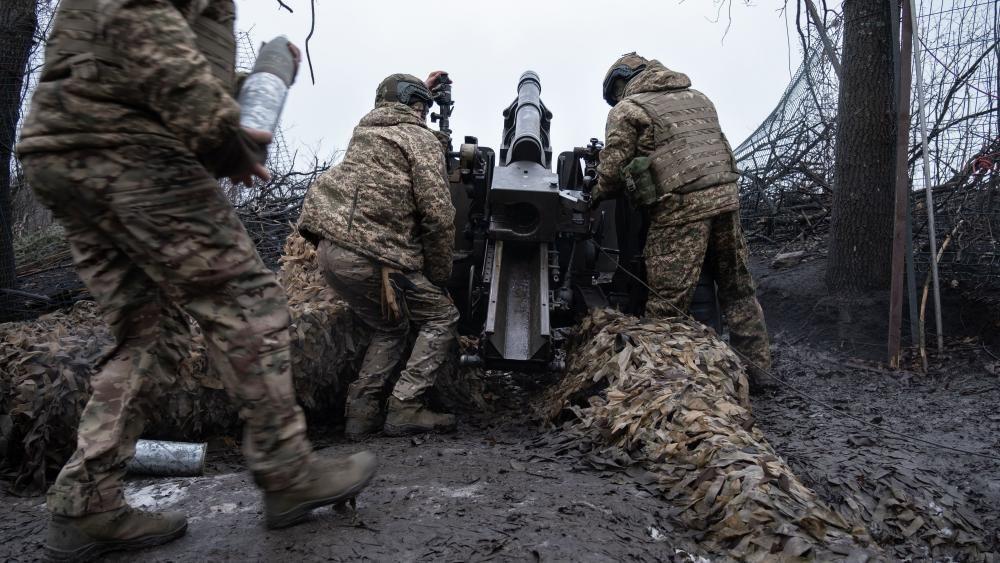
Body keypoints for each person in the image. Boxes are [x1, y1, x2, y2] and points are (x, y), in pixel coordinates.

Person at [16, 1, 376, 559]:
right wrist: (219, 135)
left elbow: (154, 51)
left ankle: (85, 504)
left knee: (150, 335)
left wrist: (246, 87)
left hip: (68, 144)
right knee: (247, 299)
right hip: (126, 145)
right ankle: (287, 472)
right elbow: (140, 16)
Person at [591, 52, 772, 385]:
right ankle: (759, 371)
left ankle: (662, 384)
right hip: (727, 199)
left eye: (614, 93)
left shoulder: (628, 109)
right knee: (738, 290)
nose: (616, 99)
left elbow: (613, 172)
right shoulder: (698, 98)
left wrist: (594, 195)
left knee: (666, 302)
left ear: (621, 82)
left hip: (680, 207)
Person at [297, 72, 460, 440]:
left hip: (331, 253)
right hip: (373, 256)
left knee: (391, 327)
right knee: (441, 317)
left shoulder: (367, 133)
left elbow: (399, 105)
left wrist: (423, 91)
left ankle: (360, 413)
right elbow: (437, 215)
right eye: (422, 107)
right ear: (416, 107)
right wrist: (438, 274)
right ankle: (405, 405)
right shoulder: (418, 138)